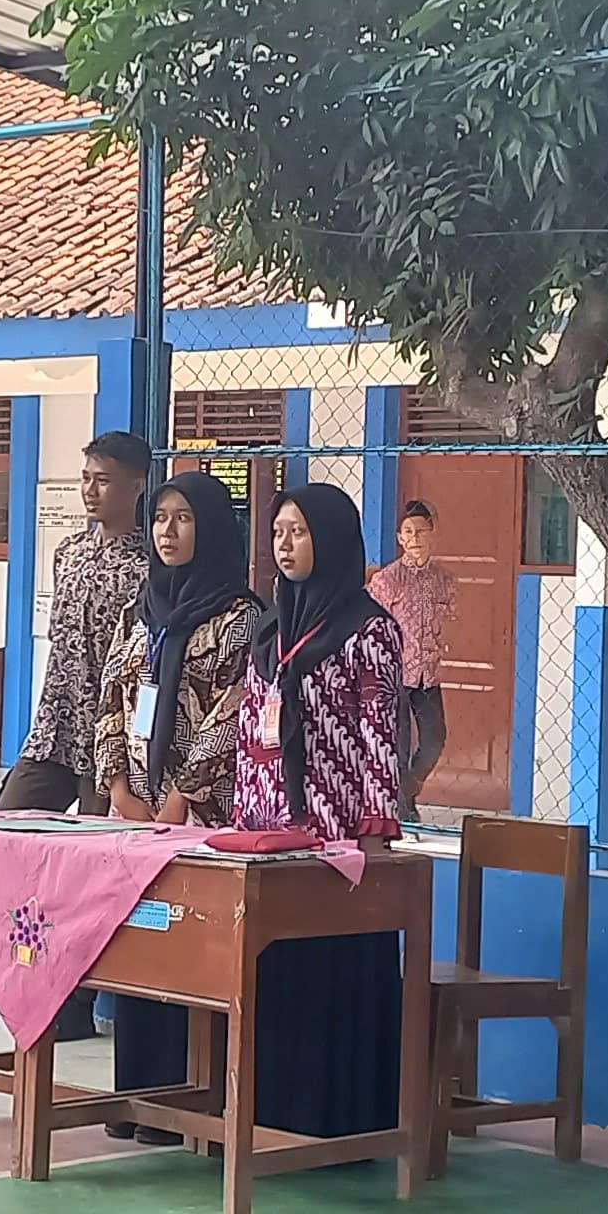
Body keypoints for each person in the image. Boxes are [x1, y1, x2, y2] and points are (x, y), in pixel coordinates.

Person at [232, 483, 411, 1141]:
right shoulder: (269, 628)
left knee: (331, 973)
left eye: (299, 532)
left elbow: (380, 732)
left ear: (331, 540)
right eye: (278, 532)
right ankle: (272, 1115)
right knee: (276, 971)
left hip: (335, 841)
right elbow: (250, 727)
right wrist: (242, 814)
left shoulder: (369, 629)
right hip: (266, 831)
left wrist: (375, 827)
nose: (285, 545)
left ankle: (337, 1122)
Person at [91, 472, 266, 1141]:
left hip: (200, 815)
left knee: (189, 953)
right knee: (140, 950)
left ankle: (186, 1110)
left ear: (212, 528)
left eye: (184, 518)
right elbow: (111, 695)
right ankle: (137, 1101)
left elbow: (233, 712)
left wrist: (179, 796)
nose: (168, 531)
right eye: (161, 517)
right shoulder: (142, 608)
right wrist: (117, 785)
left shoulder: (240, 618)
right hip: (135, 809)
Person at [0, 430, 154, 813]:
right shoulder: (68, 553)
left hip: (110, 742)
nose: (90, 491)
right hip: (54, 731)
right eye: (86, 478)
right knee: (1, 824)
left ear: (136, 486)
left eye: (103, 480)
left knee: (92, 842)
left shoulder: (148, 567)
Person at [366, 497, 455, 820]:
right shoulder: (386, 580)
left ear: (432, 534)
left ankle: (405, 792)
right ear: (400, 539)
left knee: (434, 740)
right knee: (398, 744)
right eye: (408, 532)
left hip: (428, 675)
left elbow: (451, 620)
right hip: (395, 675)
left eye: (421, 531)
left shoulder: (445, 579)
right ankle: (403, 810)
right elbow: (371, 626)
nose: (415, 538)